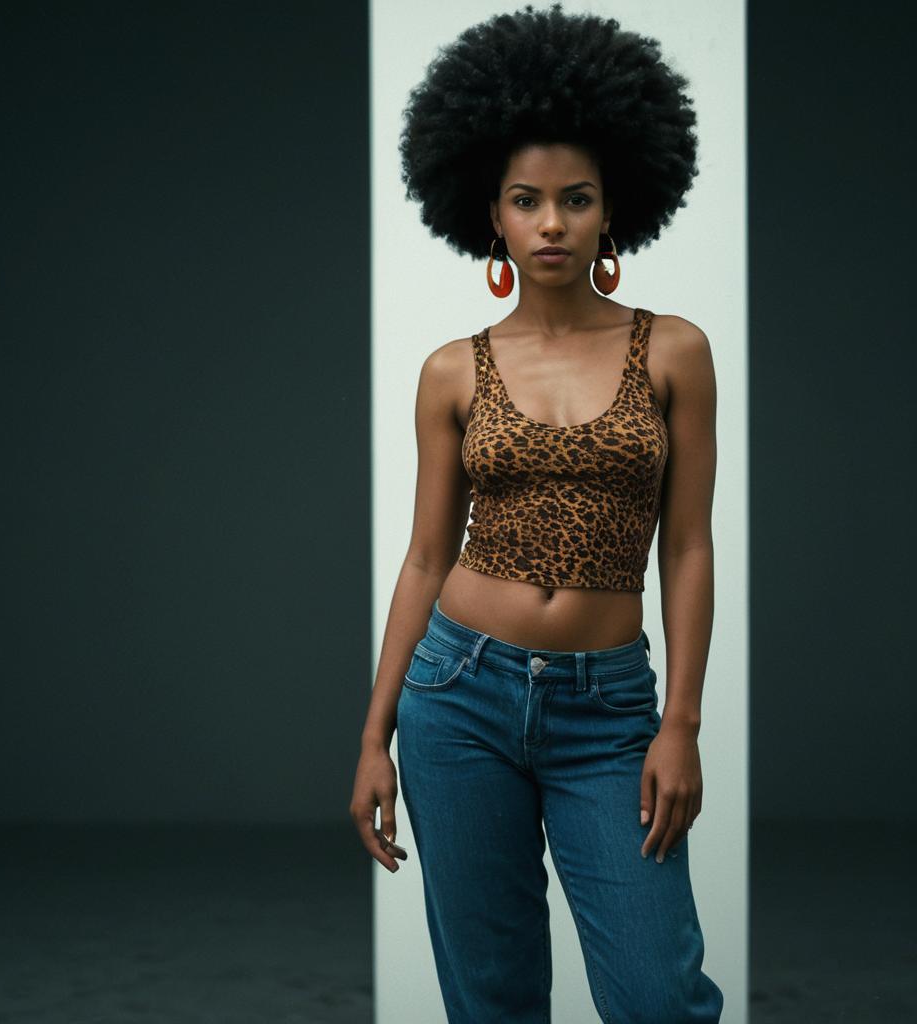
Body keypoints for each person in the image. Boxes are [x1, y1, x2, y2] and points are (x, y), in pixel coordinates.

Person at [350, 5, 725, 1021]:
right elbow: (425, 559)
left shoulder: (676, 351)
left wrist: (679, 722)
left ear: (615, 209)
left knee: (657, 995)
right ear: (493, 216)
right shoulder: (451, 370)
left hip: (608, 713)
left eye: (575, 198)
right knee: (494, 997)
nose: (551, 222)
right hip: (456, 696)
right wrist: (375, 735)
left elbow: (686, 548)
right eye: (527, 200)